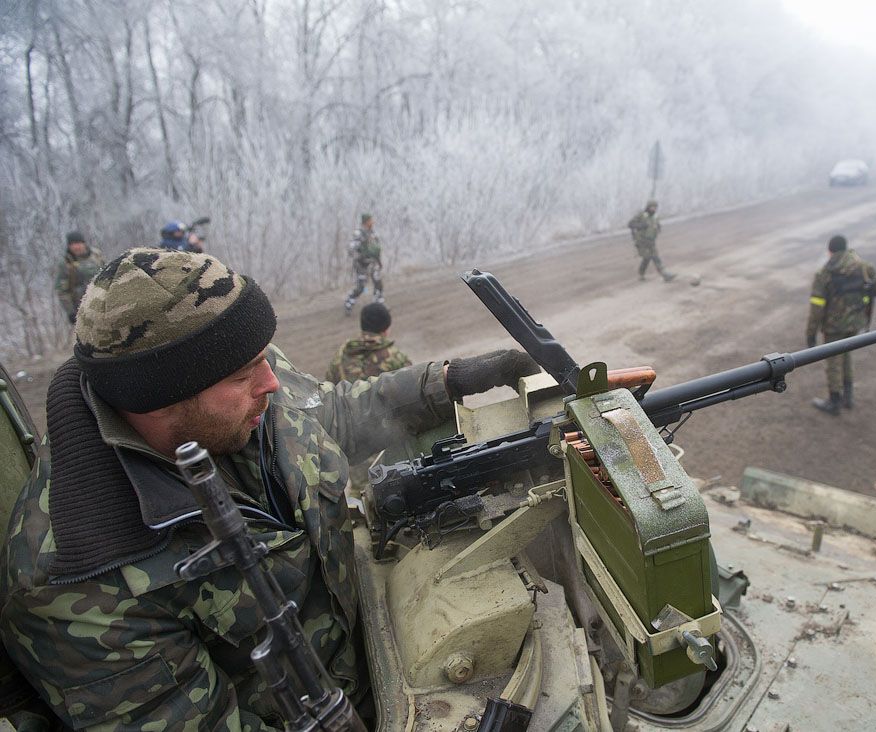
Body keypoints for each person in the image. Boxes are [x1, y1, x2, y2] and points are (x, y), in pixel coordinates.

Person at [0, 248, 538, 729]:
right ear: (158, 399)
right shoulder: (78, 585)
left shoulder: (237, 379)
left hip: (373, 661)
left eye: (264, 358)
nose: (271, 383)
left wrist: (441, 384)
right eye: (243, 376)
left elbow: (325, 414)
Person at [806, 235, 876, 415]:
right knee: (847, 356)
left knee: (834, 361)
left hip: (834, 326)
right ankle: (848, 397)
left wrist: (811, 333)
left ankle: (834, 402)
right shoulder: (864, 267)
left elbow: (817, 307)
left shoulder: (825, 273)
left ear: (830, 251)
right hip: (855, 322)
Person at [327, 302, 412, 382]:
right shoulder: (395, 357)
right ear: (386, 331)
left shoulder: (342, 352)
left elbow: (328, 385)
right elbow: (414, 387)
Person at [53, 231, 105, 324]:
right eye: (72, 244)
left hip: (104, 302)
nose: (76, 247)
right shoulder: (66, 263)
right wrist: (71, 312)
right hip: (82, 308)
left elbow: (108, 274)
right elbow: (62, 291)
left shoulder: (96, 255)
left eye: (78, 243)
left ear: (83, 243)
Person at [344, 213, 383, 314]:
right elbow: (351, 248)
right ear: (366, 222)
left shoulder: (373, 233)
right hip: (361, 263)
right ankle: (349, 302)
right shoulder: (358, 233)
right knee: (361, 287)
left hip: (372, 262)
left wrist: (378, 260)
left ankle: (378, 305)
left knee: (378, 282)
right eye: (371, 220)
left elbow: (376, 247)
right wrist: (358, 253)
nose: (372, 222)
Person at [628, 200, 675, 282]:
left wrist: (658, 227)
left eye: (655, 207)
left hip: (651, 241)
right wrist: (641, 226)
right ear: (648, 207)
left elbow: (656, 225)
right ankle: (664, 274)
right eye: (652, 207)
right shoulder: (641, 215)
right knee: (653, 257)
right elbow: (630, 224)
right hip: (642, 241)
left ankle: (641, 274)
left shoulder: (655, 217)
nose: (654, 209)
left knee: (648, 258)